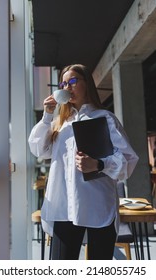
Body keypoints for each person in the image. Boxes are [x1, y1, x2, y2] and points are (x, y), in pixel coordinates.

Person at [28, 64, 139, 260]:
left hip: (98, 205)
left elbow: (128, 159)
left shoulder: (105, 119)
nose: (66, 87)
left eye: (72, 81)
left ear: (86, 84)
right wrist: (47, 116)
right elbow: (39, 149)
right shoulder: (60, 125)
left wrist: (99, 164)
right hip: (63, 207)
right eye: (63, 83)